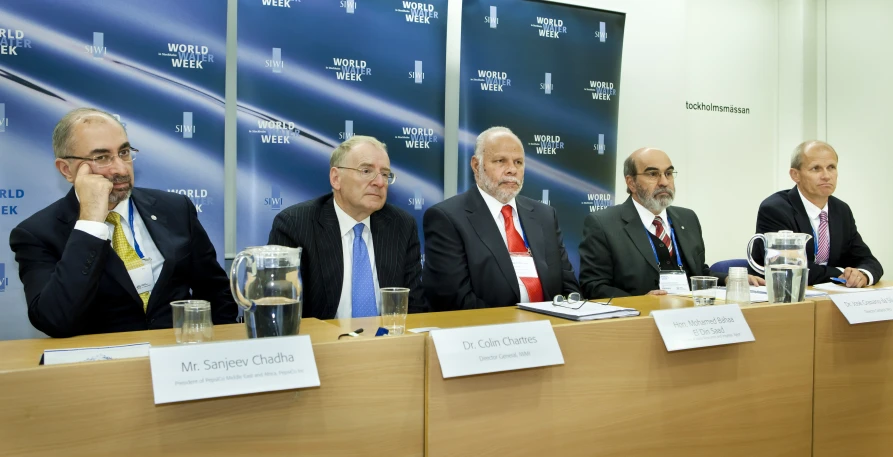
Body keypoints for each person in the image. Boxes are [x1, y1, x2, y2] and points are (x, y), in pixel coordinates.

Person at [9, 108, 236, 337]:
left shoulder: (175, 208)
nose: (120, 168)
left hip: (178, 358)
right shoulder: (36, 234)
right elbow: (55, 320)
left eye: (124, 152)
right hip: (102, 365)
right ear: (67, 170)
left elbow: (215, 293)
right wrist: (90, 221)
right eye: (101, 157)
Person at [423, 126, 579, 310]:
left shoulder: (545, 215)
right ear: (476, 165)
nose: (512, 170)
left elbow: (568, 287)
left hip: (551, 328)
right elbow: (454, 300)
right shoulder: (448, 218)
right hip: (487, 334)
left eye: (518, 162)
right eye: (500, 161)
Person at [268, 135, 424, 319]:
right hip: (321, 343)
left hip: (387, 342)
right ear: (336, 178)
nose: (380, 182)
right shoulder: (295, 225)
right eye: (366, 171)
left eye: (385, 174)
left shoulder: (401, 225)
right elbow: (282, 310)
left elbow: (414, 307)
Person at [579, 147, 763, 299]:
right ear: (631, 183)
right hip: (640, 321)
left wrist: (729, 280)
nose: (664, 182)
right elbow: (593, 286)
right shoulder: (604, 224)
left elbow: (699, 272)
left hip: (691, 315)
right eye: (653, 174)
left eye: (668, 173)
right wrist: (641, 301)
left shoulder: (688, 218)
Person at [752, 140, 882, 287]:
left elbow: (868, 260)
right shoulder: (775, 209)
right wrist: (841, 273)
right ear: (795, 175)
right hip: (783, 295)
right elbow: (789, 267)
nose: (826, 176)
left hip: (830, 295)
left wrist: (863, 274)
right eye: (816, 169)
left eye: (831, 167)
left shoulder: (841, 210)